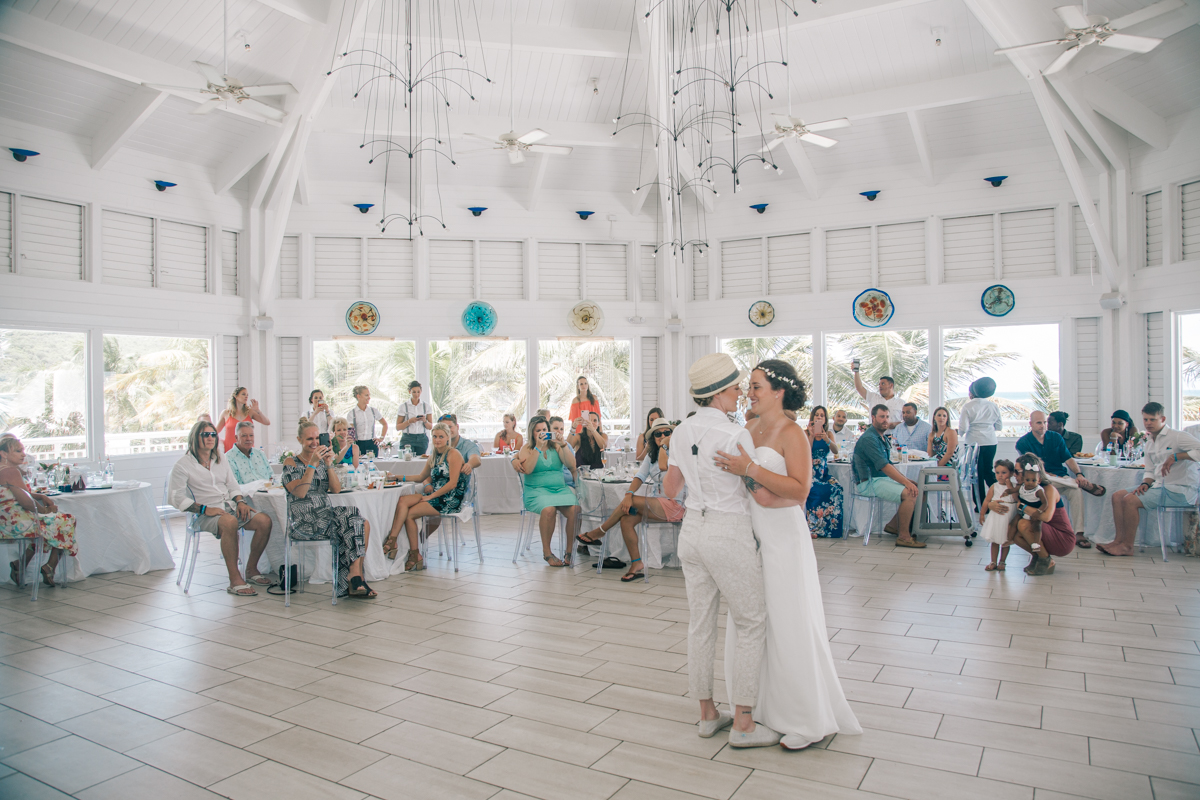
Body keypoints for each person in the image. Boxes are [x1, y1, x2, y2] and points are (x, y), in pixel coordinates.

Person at [710, 358, 862, 750]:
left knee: (789, 620)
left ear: (778, 392)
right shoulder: (747, 428)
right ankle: (759, 709)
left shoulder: (792, 432)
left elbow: (800, 492)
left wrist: (751, 471)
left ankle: (804, 717)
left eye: (757, 386)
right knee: (756, 623)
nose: (749, 393)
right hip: (750, 533)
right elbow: (742, 480)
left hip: (783, 537)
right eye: (749, 387)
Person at [661, 353, 774, 747]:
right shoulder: (733, 434)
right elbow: (754, 488)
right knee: (751, 621)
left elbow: (670, 489)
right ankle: (744, 722)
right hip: (728, 531)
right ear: (718, 394)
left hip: (691, 531)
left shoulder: (679, 432)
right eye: (735, 388)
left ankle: (707, 714)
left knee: (700, 623)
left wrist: (674, 497)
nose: (740, 393)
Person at [168, 420, 274, 595]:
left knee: (264, 521)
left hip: (229, 506)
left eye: (213, 435)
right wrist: (204, 509)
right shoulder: (182, 465)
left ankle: (251, 569)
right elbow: (175, 498)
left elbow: (232, 484)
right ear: (195, 438)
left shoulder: (220, 458)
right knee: (230, 522)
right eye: (205, 435)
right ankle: (235, 580)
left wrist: (240, 501)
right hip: (203, 514)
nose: (210, 438)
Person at [577, 419, 686, 581]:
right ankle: (636, 563)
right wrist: (628, 494)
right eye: (658, 434)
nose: (662, 436)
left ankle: (599, 532)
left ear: (672, 435)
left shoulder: (678, 453)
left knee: (632, 502)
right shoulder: (652, 455)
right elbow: (640, 476)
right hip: (658, 505)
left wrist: (665, 445)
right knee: (626, 519)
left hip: (676, 505)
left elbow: (664, 466)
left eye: (666, 433)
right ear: (652, 437)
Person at [282, 420, 375, 597]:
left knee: (361, 522)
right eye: (310, 439)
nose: (315, 442)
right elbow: (300, 492)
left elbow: (336, 489)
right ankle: (355, 579)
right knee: (356, 518)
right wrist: (312, 465)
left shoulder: (322, 462)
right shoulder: (291, 463)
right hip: (303, 520)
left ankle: (356, 575)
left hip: (325, 515)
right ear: (299, 439)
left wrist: (328, 463)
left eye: (317, 438)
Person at [1099, 402, 1200, 557]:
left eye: (1152, 419)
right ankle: (1118, 540)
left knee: (1130, 500)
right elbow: (1150, 470)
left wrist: (1176, 456)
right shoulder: (1149, 442)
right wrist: (1145, 483)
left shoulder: (1177, 437)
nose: (1148, 423)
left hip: (1180, 490)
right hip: (1159, 486)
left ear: (1163, 419)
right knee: (1118, 496)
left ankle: (1127, 546)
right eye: (1145, 420)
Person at [385, 423, 468, 571]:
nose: (437, 440)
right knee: (403, 501)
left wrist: (431, 497)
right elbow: (421, 477)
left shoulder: (454, 454)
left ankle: (414, 554)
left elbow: (453, 483)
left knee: (409, 515)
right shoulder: (434, 454)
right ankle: (393, 540)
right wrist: (397, 477)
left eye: (441, 437)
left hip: (449, 498)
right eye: (435, 436)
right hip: (435, 494)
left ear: (448, 437)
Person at [1016, 411, 1105, 548]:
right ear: (1031, 424)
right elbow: (1033, 468)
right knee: (1070, 484)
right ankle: (1080, 484)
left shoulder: (1056, 437)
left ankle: (1079, 533)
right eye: (1039, 423)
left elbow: (1068, 459)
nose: (1043, 426)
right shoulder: (1023, 443)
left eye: (1045, 422)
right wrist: (1052, 476)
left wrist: (1079, 474)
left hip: (1061, 478)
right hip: (1040, 481)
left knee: (1076, 492)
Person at [0, 435, 78, 587]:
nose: (23, 454)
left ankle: (21, 563)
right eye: (18, 451)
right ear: (3, 454)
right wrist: (45, 511)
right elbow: (25, 501)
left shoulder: (5, 471)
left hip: (5, 523)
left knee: (51, 525)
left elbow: (12, 494)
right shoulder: (10, 471)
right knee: (67, 520)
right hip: (19, 524)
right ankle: (50, 566)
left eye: (22, 450)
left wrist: (40, 496)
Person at [853, 405, 923, 547]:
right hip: (869, 482)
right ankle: (903, 537)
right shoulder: (869, 439)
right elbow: (884, 466)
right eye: (882, 417)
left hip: (880, 479)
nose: (885, 420)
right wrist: (906, 483)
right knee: (910, 493)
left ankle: (894, 525)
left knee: (915, 487)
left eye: (887, 417)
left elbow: (889, 464)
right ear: (873, 418)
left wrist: (907, 481)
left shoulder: (880, 437)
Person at [518, 416, 578, 567]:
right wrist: (538, 447)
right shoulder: (527, 448)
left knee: (575, 509)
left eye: (544, 430)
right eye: (538, 430)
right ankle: (547, 553)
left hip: (559, 489)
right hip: (537, 491)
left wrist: (563, 443)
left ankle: (569, 551)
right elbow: (528, 469)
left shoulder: (556, 446)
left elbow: (572, 465)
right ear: (532, 432)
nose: (542, 433)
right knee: (549, 510)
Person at [1008, 454, 1075, 574]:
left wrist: (1023, 507)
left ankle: (1045, 560)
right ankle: (1038, 557)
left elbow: (1046, 517)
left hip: (1063, 538)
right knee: (1016, 536)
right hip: (1044, 531)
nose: (1014, 475)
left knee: (1023, 524)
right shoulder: (1023, 489)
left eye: (1017, 471)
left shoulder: (1048, 489)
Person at [957, 377, 1003, 503]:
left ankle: (980, 503)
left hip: (973, 442)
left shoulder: (968, 406)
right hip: (990, 441)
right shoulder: (993, 406)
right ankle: (1000, 497)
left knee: (975, 474)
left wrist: (959, 433)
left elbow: (963, 428)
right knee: (988, 471)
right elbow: (999, 426)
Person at [805, 406, 844, 539]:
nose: (819, 417)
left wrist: (826, 438)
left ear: (825, 419)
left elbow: (835, 451)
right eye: (817, 415)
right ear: (813, 417)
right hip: (809, 471)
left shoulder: (829, 433)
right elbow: (805, 452)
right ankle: (813, 528)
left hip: (823, 472)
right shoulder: (805, 432)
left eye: (822, 415)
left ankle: (832, 528)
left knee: (837, 488)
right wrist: (811, 435)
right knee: (817, 490)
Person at [979, 459, 1018, 571]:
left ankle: (1003, 561)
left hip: (1008, 517)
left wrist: (1010, 487)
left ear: (1011, 473)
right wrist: (982, 514)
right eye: (997, 473)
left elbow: (1016, 498)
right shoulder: (994, 486)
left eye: (1004, 473)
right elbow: (987, 500)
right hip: (996, 517)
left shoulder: (1014, 486)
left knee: (1006, 540)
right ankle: (993, 561)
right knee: (995, 540)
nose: (1000, 476)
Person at [217, 387, 270, 453]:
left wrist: (258, 411)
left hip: (247, 450)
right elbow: (215, 431)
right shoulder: (226, 413)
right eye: (243, 394)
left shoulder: (249, 412)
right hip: (230, 450)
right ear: (235, 396)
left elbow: (267, 422)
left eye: (247, 395)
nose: (246, 397)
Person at [852, 366, 904, 430]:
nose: (880, 386)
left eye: (883, 384)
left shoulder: (901, 403)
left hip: (893, 437)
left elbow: (906, 422)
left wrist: (895, 424)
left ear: (891, 385)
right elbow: (859, 388)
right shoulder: (873, 397)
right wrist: (856, 371)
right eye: (879, 384)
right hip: (874, 437)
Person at [346, 385, 386, 458]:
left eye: (369, 395)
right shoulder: (352, 413)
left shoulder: (373, 411)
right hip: (358, 444)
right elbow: (350, 432)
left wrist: (381, 438)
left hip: (372, 443)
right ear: (358, 396)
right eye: (366, 395)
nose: (369, 397)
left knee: (373, 466)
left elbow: (384, 424)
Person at [395, 381, 433, 456]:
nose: (416, 394)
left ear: (421, 391)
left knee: (420, 462)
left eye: (418, 392)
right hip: (407, 438)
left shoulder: (426, 406)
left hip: (422, 438)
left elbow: (430, 427)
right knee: (406, 461)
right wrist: (409, 421)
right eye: (414, 392)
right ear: (409, 392)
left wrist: (425, 421)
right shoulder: (403, 406)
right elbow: (398, 427)